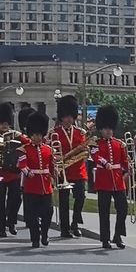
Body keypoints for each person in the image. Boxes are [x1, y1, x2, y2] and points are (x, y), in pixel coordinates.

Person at [90, 105, 129, 250]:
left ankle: (118, 235)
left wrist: (126, 171)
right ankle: (105, 239)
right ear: (101, 129)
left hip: (118, 182)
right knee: (104, 212)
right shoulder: (95, 143)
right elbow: (95, 156)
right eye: (106, 128)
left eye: (110, 128)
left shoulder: (119, 144)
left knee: (123, 209)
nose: (108, 131)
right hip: (103, 181)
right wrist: (104, 163)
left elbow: (124, 162)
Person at [18, 111, 54, 248]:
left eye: (39, 135)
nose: (37, 137)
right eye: (35, 135)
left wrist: (55, 174)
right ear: (31, 135)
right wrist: (27, 173)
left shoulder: (48, 149)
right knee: (32, 215)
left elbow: (51, 166)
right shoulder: (24, 149)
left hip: (45, 185)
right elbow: (22, 164)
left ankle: (44, 233)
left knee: (48, 212)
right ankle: (35, 238)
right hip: (31, 185)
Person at [53, 94, 87, 238]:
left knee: (80, 197)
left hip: (78, 170)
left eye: (70, 116)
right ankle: (65, 228)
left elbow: (84, 150)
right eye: (66, 116)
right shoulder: (54, 133)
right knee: (64, 201)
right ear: (61, 117)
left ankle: (75, 223)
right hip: (63, 171)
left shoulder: (81, 133)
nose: (68, 119)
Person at [0, 102, 25, 238]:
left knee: (16, 199)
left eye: (6, 123)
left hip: (13, 174)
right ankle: (1, 228)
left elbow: (28, 144)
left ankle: (11, 221)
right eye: (1, 123)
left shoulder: (16, 135)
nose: (4, 126)